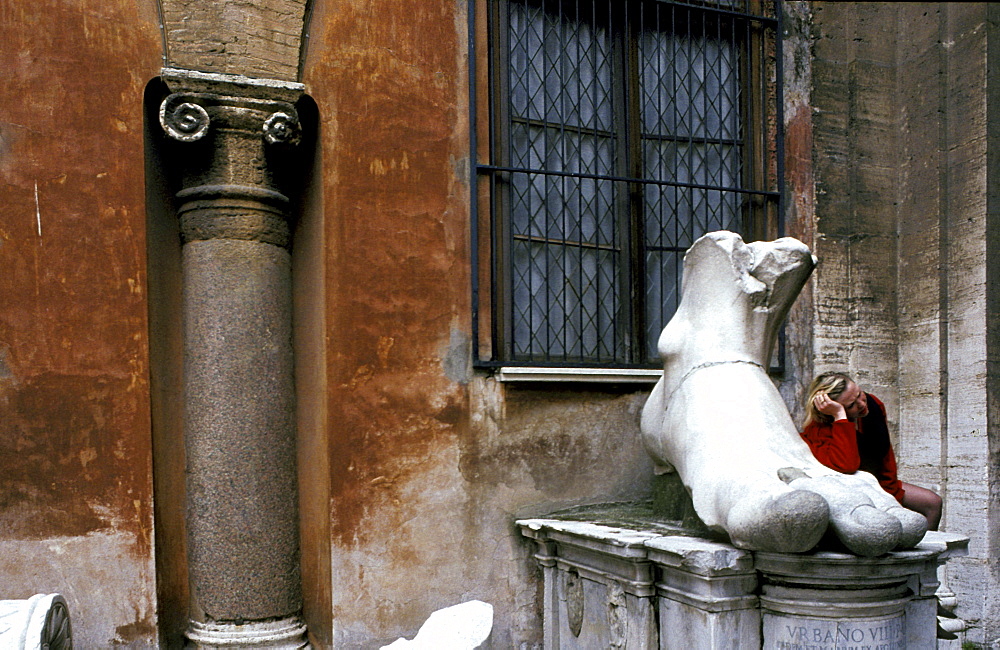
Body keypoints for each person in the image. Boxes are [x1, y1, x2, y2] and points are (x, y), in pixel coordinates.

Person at [800, 371, 942, 530]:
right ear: (830, 409)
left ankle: (926, 552)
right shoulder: (818, 431)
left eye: (860, 394)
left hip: (881, 484)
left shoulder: (873, 404)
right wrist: (840, 418)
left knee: (933, 503)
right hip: (855, 492)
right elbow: (847, 465)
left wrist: (891, 493)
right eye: (851, 405)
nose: (861, 404)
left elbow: (884, 455)